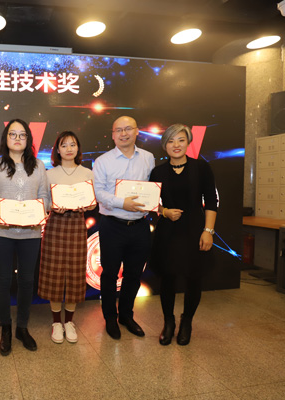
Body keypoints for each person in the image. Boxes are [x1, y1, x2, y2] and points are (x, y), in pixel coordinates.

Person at [0, 118, 50, 355]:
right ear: (6, 138)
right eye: (13, 134)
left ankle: (22, 327)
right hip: (1, 231)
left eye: (22, 135)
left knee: (26, 280)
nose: (18, 138)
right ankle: (5, 328)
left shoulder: (39, 166)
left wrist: (41, 211)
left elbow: (45, 196)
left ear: (28, 139)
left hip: (31, 232)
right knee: (2, 281)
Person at [150, 123, 217, 346]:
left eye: (180, 140)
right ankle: (168, 322)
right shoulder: (158, 172)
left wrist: (208, 231)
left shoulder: (201, 168)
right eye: (170, 141)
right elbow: (151, 203)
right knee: (167, 279)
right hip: (168, 231)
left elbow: (211, 201)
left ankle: (187, 321)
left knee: (193, 279)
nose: (176, 145)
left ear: (188, 142)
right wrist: (165, 212)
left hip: (195, 230)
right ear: (164, 146)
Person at [93, 115, 155, 340]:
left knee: (134, 274)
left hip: (140, 225)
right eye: (118, 130)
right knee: (110, 274)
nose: (123, 133)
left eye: (128, 129)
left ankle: (126, 315)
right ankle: (110, 317)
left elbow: (153, 188)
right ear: (112, 135)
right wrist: (122, 203)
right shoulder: (103, 161)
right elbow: (99, 192)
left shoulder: (148, 158)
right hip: (112, 225)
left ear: (137, 131)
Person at [38, 131, 95, 344]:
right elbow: (43, 201)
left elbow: (93, 203)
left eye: (73, 144)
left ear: (78, 148)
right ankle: (56, 323)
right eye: (64, 145)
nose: (69, 149)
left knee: (74, 273)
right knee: (54, 273)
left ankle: (69, 322)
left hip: (77, 225)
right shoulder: (49, 174)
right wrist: (53, 206)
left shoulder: (87, 173)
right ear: (57, 150)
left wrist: (87, 206)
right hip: (55, 224)